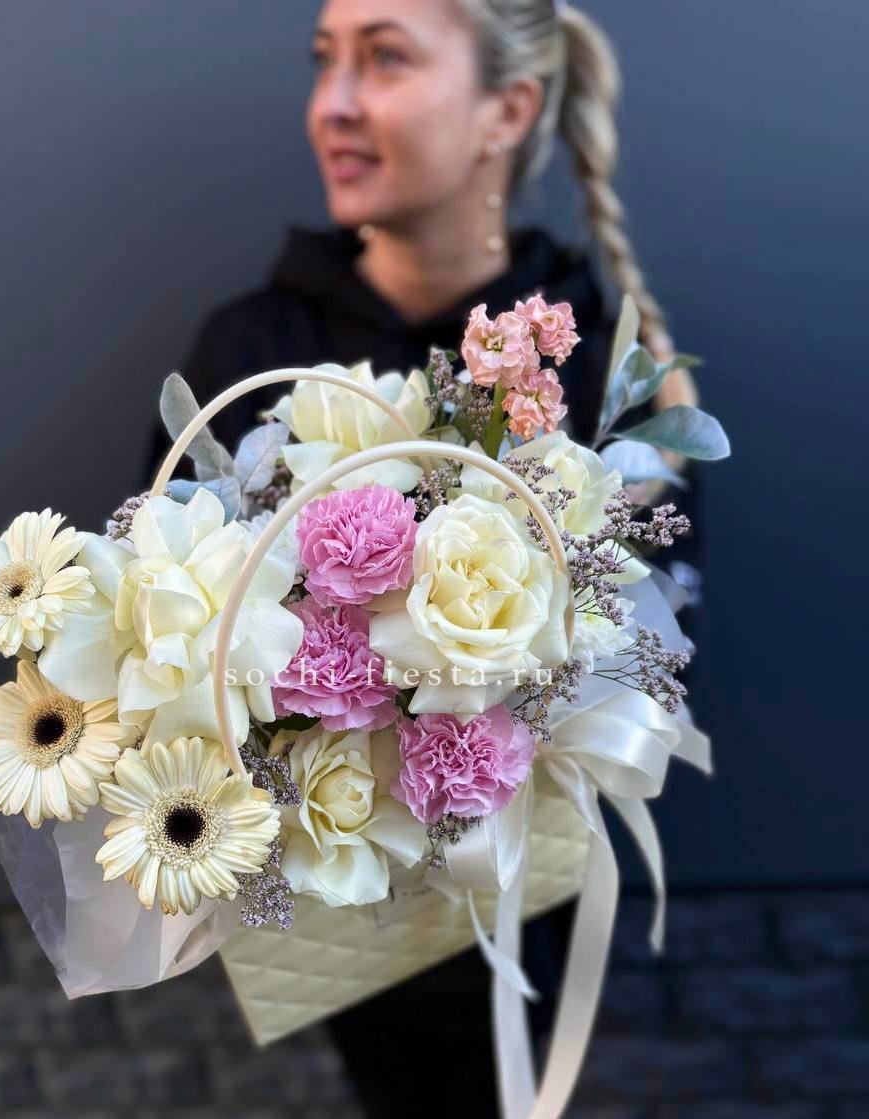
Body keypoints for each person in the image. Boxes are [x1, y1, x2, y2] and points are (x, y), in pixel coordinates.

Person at [156, 2, 700, 1114]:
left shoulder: (604, 370)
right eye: (325, 61)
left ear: (506, 109)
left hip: (527, 909)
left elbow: (656, 655)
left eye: (385, 58)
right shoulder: (252, 350)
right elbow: (165, 623)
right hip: (327, 915)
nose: (333, 104)